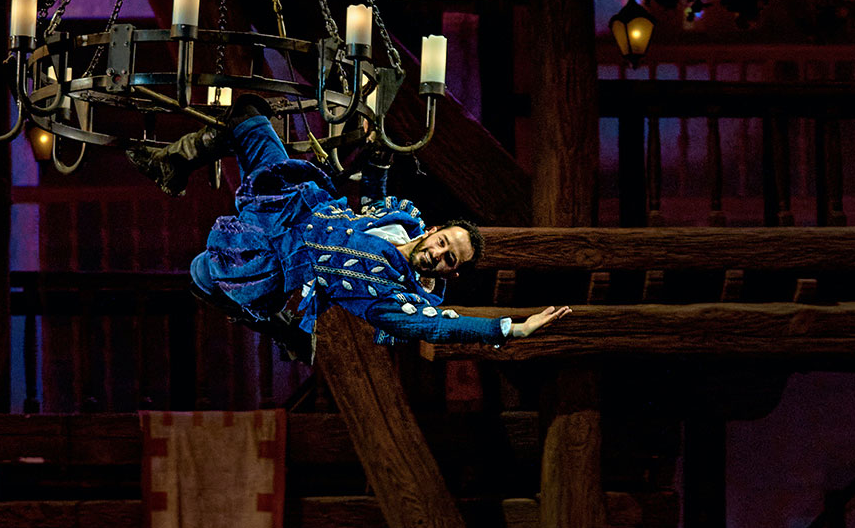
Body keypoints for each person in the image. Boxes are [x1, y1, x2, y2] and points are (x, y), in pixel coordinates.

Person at [130, 97, 571, 361]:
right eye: (443, 242)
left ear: (449, 271)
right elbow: (374, 201)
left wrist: (512, 329)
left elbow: (440, 328)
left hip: (269, 255)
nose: (438, 253)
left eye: (448, 258)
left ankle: (277, 326)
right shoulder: (404, 222)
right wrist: (379, 157)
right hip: (291, 199)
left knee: (201, 273)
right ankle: (173, 163)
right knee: (250, 114)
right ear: (435, 231)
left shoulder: (393, 298)